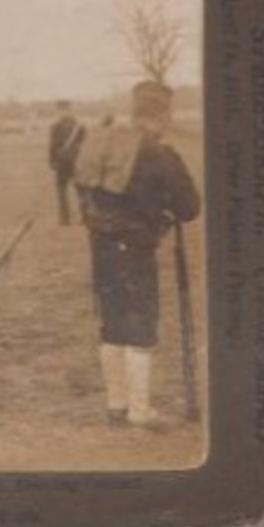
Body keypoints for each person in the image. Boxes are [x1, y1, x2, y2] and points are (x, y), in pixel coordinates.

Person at [74, 81, 201, 430]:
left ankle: (116, 405)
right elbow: (190, 207)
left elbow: (82, 190)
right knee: (141, 325)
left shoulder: (101, 142)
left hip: (100, 248)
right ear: (160, 116)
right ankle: (140, 411)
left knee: (112, 324)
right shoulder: (159, 154)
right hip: (136, 252)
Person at [48, 100, 87, 226]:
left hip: (62, 162)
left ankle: (64, 219)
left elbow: (53, 146)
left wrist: (52, 161)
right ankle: (84, 217)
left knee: (61, 191)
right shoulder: (80, 126)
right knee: (81, 190)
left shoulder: (56, 127)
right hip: (77, 161)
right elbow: (86, 145)